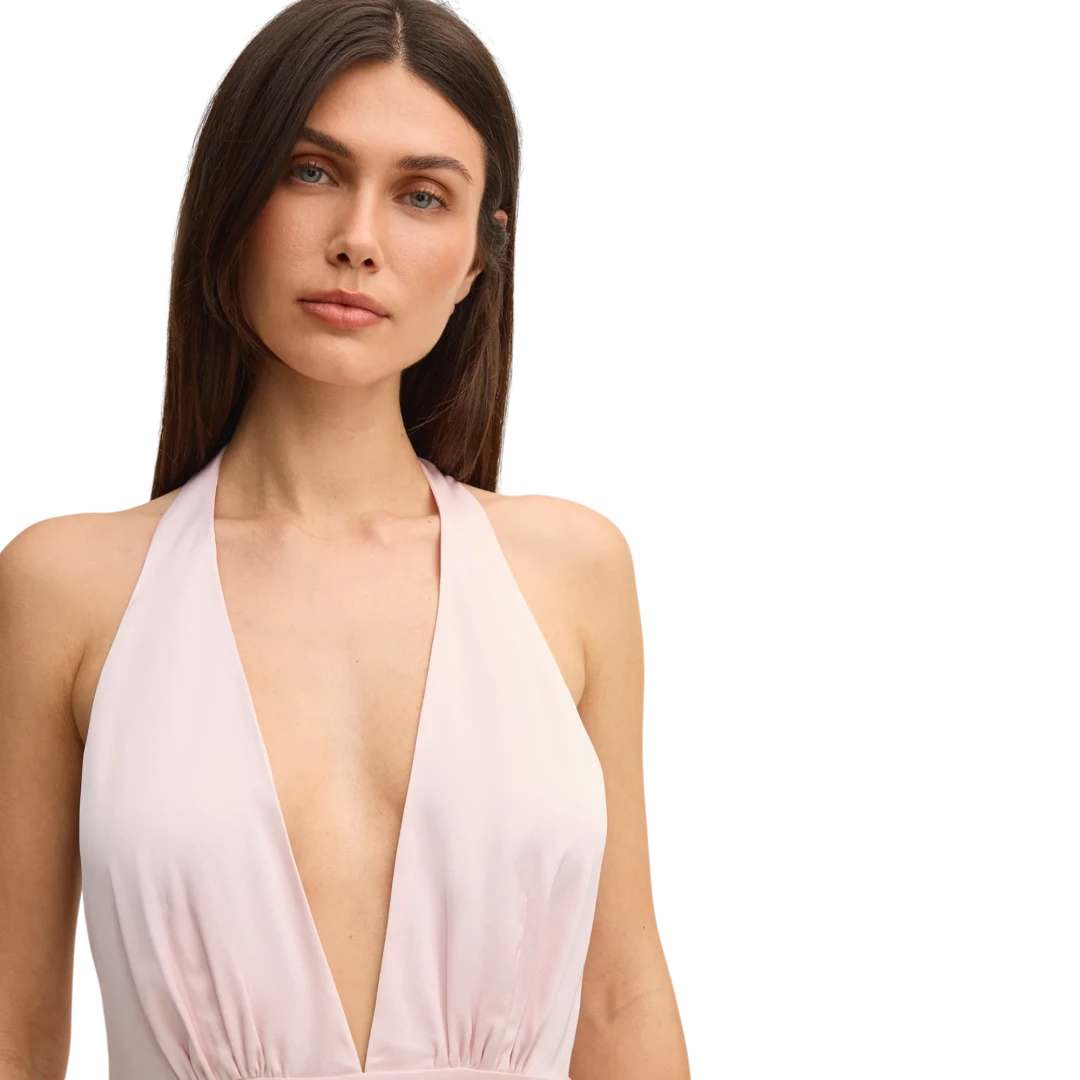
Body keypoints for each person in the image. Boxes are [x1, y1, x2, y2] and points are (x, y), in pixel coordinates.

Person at [0, 2, 691, 1078]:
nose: (358, 239)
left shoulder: (571, 574)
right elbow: (15, 1031)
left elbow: (618, 1001)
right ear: (232, 201)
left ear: (479, 257)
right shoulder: (67, 589)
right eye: (312, 171)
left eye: (421, 195)